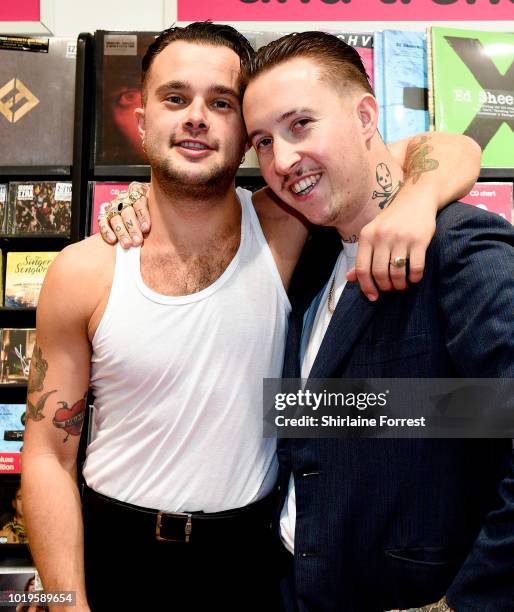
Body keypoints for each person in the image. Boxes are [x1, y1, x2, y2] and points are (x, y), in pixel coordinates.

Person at [22, 23, 479, 612]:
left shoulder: (286, 221)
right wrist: (61, 599)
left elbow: (447, 148)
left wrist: (417, 200)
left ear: (245, 136)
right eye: (175, 98)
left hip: (252, 560)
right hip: (112, 549)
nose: (195, 117)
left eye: (221, 103)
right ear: (141, 124)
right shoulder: (80, 271)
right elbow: (46, 455)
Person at [241, 32, 513, 611]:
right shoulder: (310, 255)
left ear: (365, 114)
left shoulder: (461, 248)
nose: (282, 160)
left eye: (300, 125)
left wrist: (465, 605)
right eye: (263, 141)